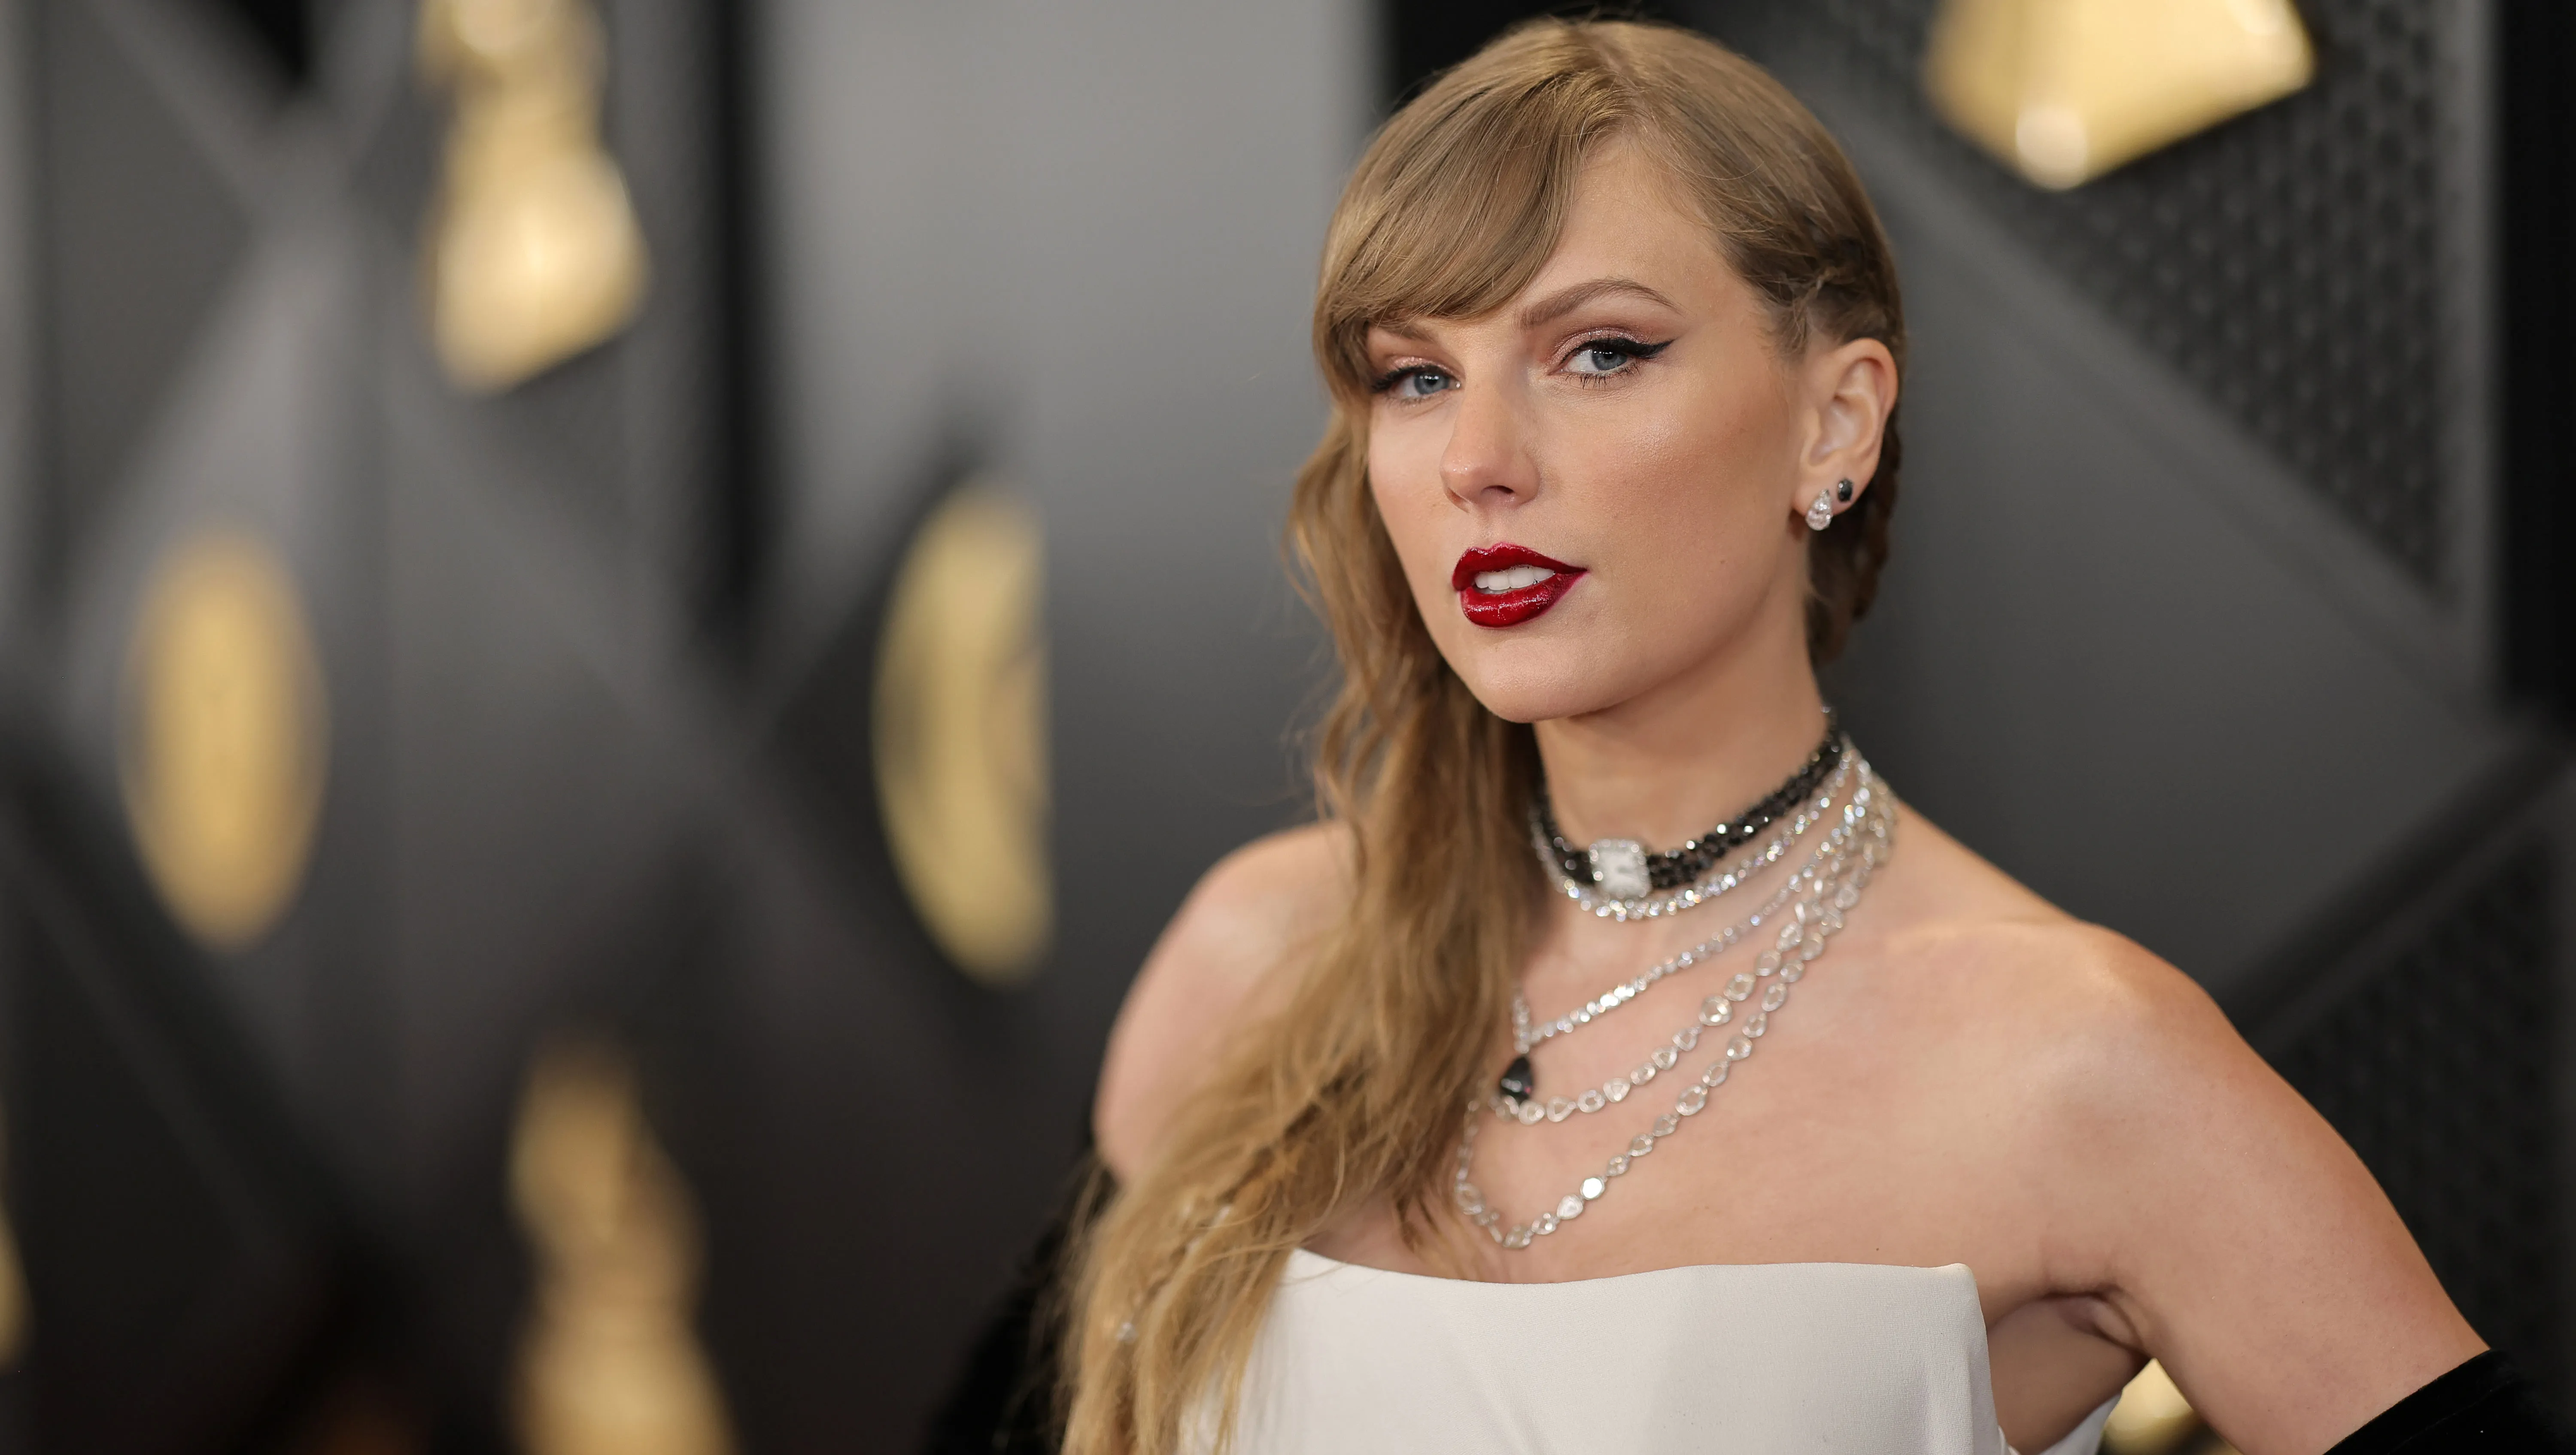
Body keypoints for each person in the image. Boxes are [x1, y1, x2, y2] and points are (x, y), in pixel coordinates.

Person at [1059, 18, 2552, 1454]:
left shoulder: (2079, 1067)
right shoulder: (1254, 964)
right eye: (1415, 375)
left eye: (1599, 353)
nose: (1477, 462)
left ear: (1835, 422)